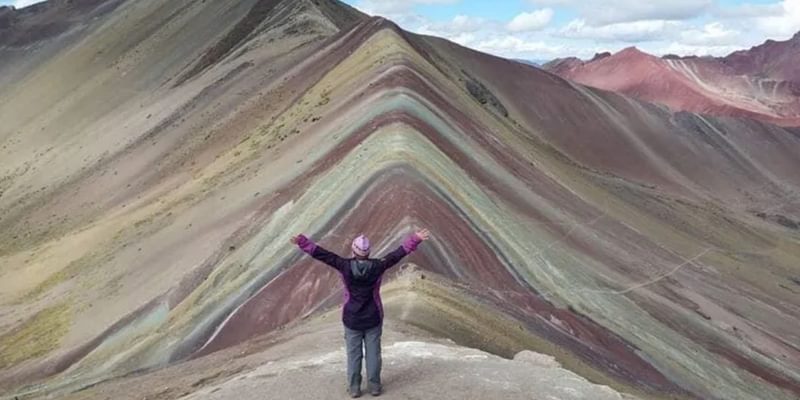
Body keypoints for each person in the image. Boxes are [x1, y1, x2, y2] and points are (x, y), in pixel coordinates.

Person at [290, 229, 431, 398]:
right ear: (368, 252)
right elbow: (398, 254)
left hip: (351, 318)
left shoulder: (344, 265)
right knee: (373, 353)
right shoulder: (379, 265)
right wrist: (415, 239)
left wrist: (302, 242)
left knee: (353, 354)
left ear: (353, 250)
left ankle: (355, 387)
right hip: (373, 318)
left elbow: (322, 254)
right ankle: (374, 387)